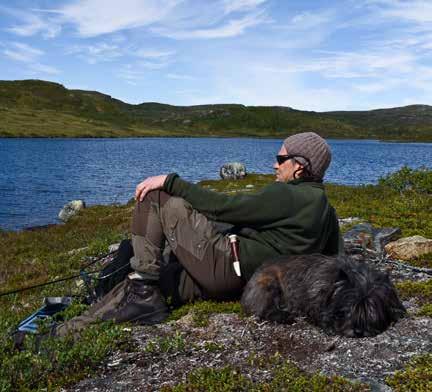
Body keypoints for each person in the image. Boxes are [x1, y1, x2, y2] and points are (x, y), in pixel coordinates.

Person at [55, 131, 341, 335]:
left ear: (300, 167)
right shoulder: (326, 210)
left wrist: (170, 181)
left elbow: (224, 207)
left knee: (155, 197)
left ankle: (136, 293)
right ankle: (78, 323)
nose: (274, 164)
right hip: (244, 284)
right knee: (162, 281)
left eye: (281, 158)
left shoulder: (289, 196)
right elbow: (333, 259)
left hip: (229, 267)